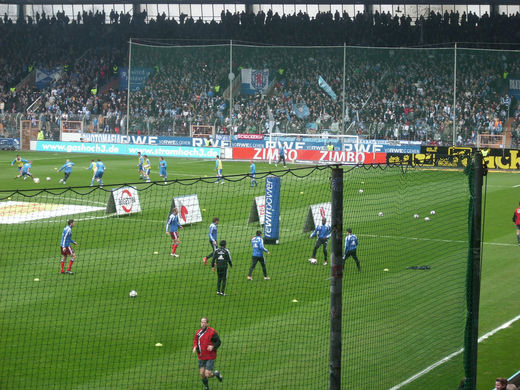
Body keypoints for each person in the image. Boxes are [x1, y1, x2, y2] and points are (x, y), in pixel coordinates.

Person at [192, 317, 223, 390]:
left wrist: (213, 347)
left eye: (204, 322)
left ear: (207, 323)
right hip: (201, 356)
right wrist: (194, 347)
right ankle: (207, 387)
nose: (202, 324)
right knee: (202, 374)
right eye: (201, 322)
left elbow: (218, 342)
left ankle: (216, 374)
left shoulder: (212, 332)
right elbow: (195, 341)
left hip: (210, 356)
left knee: (207, 374)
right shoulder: (198, 333)